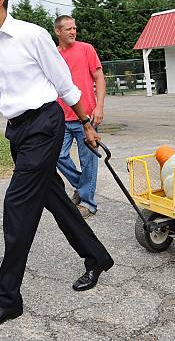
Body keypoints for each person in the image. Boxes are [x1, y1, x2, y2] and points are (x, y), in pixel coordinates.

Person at [0, 0, 113, 330]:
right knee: (54, 198)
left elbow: (64, 82)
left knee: (18, 204)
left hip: (46, 124)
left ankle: (7, 299)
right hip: (17, 130)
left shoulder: (32, 35)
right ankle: (97, 258)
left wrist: (87, 123)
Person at [54, 15, 106, 219]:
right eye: (68, 29)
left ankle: (88, 203)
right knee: (57, 156)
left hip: (87, 117)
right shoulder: (53, 55)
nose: (73, 32)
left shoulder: (86, 49)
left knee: (89, 162)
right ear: (58, 31)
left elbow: (99, 77)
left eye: (75, 28)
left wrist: (100, 106)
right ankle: (82, 186)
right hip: (62, 118)